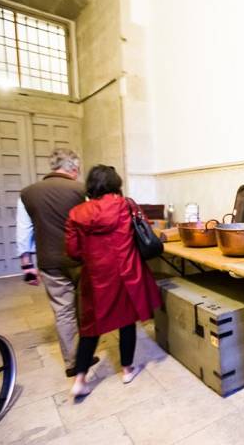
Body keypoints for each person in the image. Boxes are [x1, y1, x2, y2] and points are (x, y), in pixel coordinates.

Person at [65, 165, 162, 397]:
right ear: (115, 183)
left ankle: (80, 379)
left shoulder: (77, 213)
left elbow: (73, 251)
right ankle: (127, 370)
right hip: (126, 274)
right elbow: (145, 230)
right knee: (127, 322)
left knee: (90, 328)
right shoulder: (126, 205)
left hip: (96, 278)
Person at [18, 148, 98, 377]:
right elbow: (91, 223)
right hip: (80, 259)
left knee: (63, 311)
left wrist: (27, 265)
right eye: (78, 170)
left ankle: (72, 361)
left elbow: (24, 231)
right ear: (73, 168)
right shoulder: (80, 190)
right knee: (85, 307)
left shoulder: (27, 193)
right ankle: (84, 356)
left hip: (49, 261)